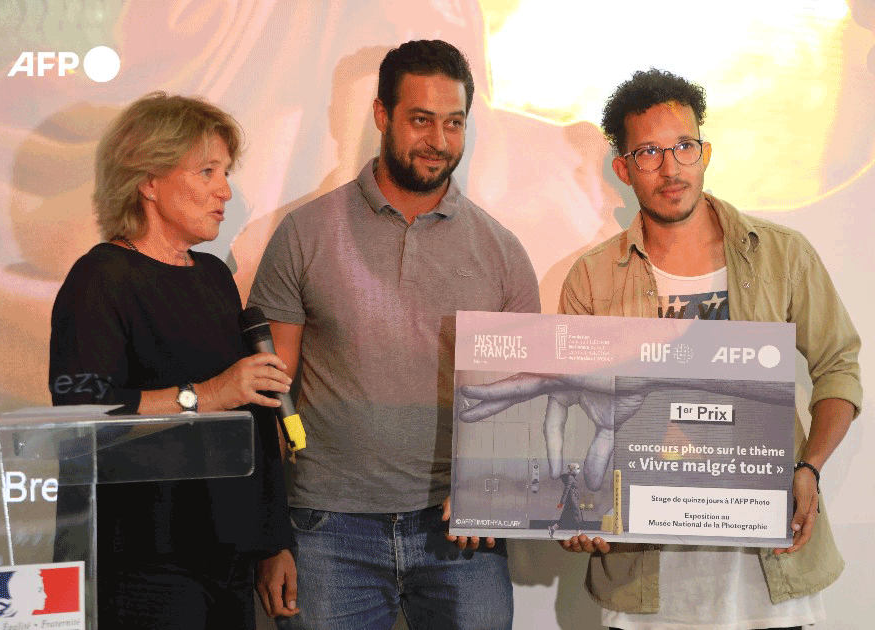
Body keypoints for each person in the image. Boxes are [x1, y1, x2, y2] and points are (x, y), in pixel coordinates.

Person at [248, 39, 540, 629]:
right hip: (326, 529)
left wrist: (494, 488)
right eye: (421, 120)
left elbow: (526, 398)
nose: (439, 140)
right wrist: (268, 536)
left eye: (454, 122)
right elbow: (268, 400)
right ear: (382, 115)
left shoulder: (502, 251)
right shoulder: (305, 233)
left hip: (461, 530)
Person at [556, 69, 862, 630]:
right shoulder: (592, 278)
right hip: (644, 588)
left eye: (683, 146)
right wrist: (577, 503)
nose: (670, 168)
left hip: (768, 582)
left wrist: (810, 468)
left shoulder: (782, 255)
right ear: (624, 169)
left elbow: (839, 366)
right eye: (648, 153)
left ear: (706, 152)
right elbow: (571, 407)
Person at [48, 92, 294, 629]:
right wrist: (206, 395)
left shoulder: (214, 277)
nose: (225, 191)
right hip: (143, 562)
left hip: (229, 553)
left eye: (225, 172)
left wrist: (274, 542)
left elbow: (255, 414)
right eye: (207, 171)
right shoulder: (100, 278)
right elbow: (81, 410)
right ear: (148, 181)